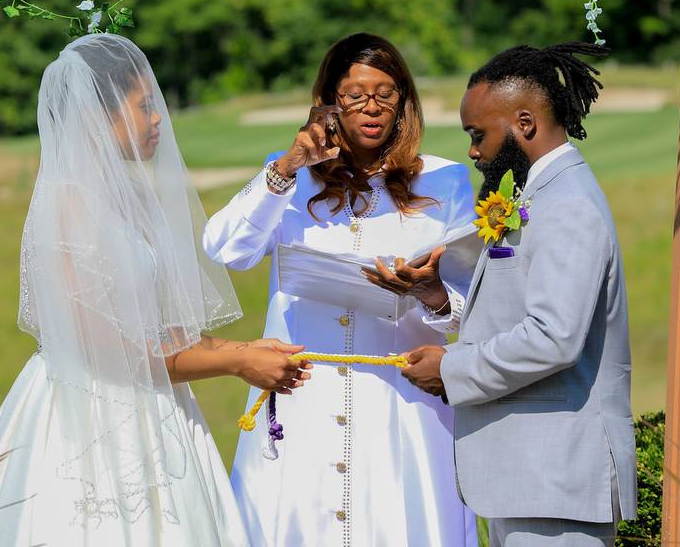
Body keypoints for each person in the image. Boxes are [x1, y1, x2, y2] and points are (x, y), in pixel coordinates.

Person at [0, 34, 310, 547]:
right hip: (91, 416)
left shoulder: (126, 197)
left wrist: (246, 348)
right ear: (98, 116)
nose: (158, 119)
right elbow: (115, 350)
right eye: (145, 107)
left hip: (154, 402)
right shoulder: (70, 207)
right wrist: (236, 362)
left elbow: (154, 326)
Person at [204, 33, 478, 546]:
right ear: (328, 102)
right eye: (355, 95)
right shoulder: (290, 178)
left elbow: (472, 310)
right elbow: (226, 250)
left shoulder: (446, 182)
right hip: (301, 394)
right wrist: (288, 166)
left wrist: (432, 293)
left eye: (386, 93)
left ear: (404, 102)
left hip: (403, 403)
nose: (371, 108)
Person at [401, 43, 638, 546]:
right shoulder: (539, 195)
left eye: (477, 134)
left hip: (557, 478)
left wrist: (450, 369)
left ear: (524, 122)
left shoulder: (568, 205)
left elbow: (553, 338)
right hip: (530, 480)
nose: (472, 151)